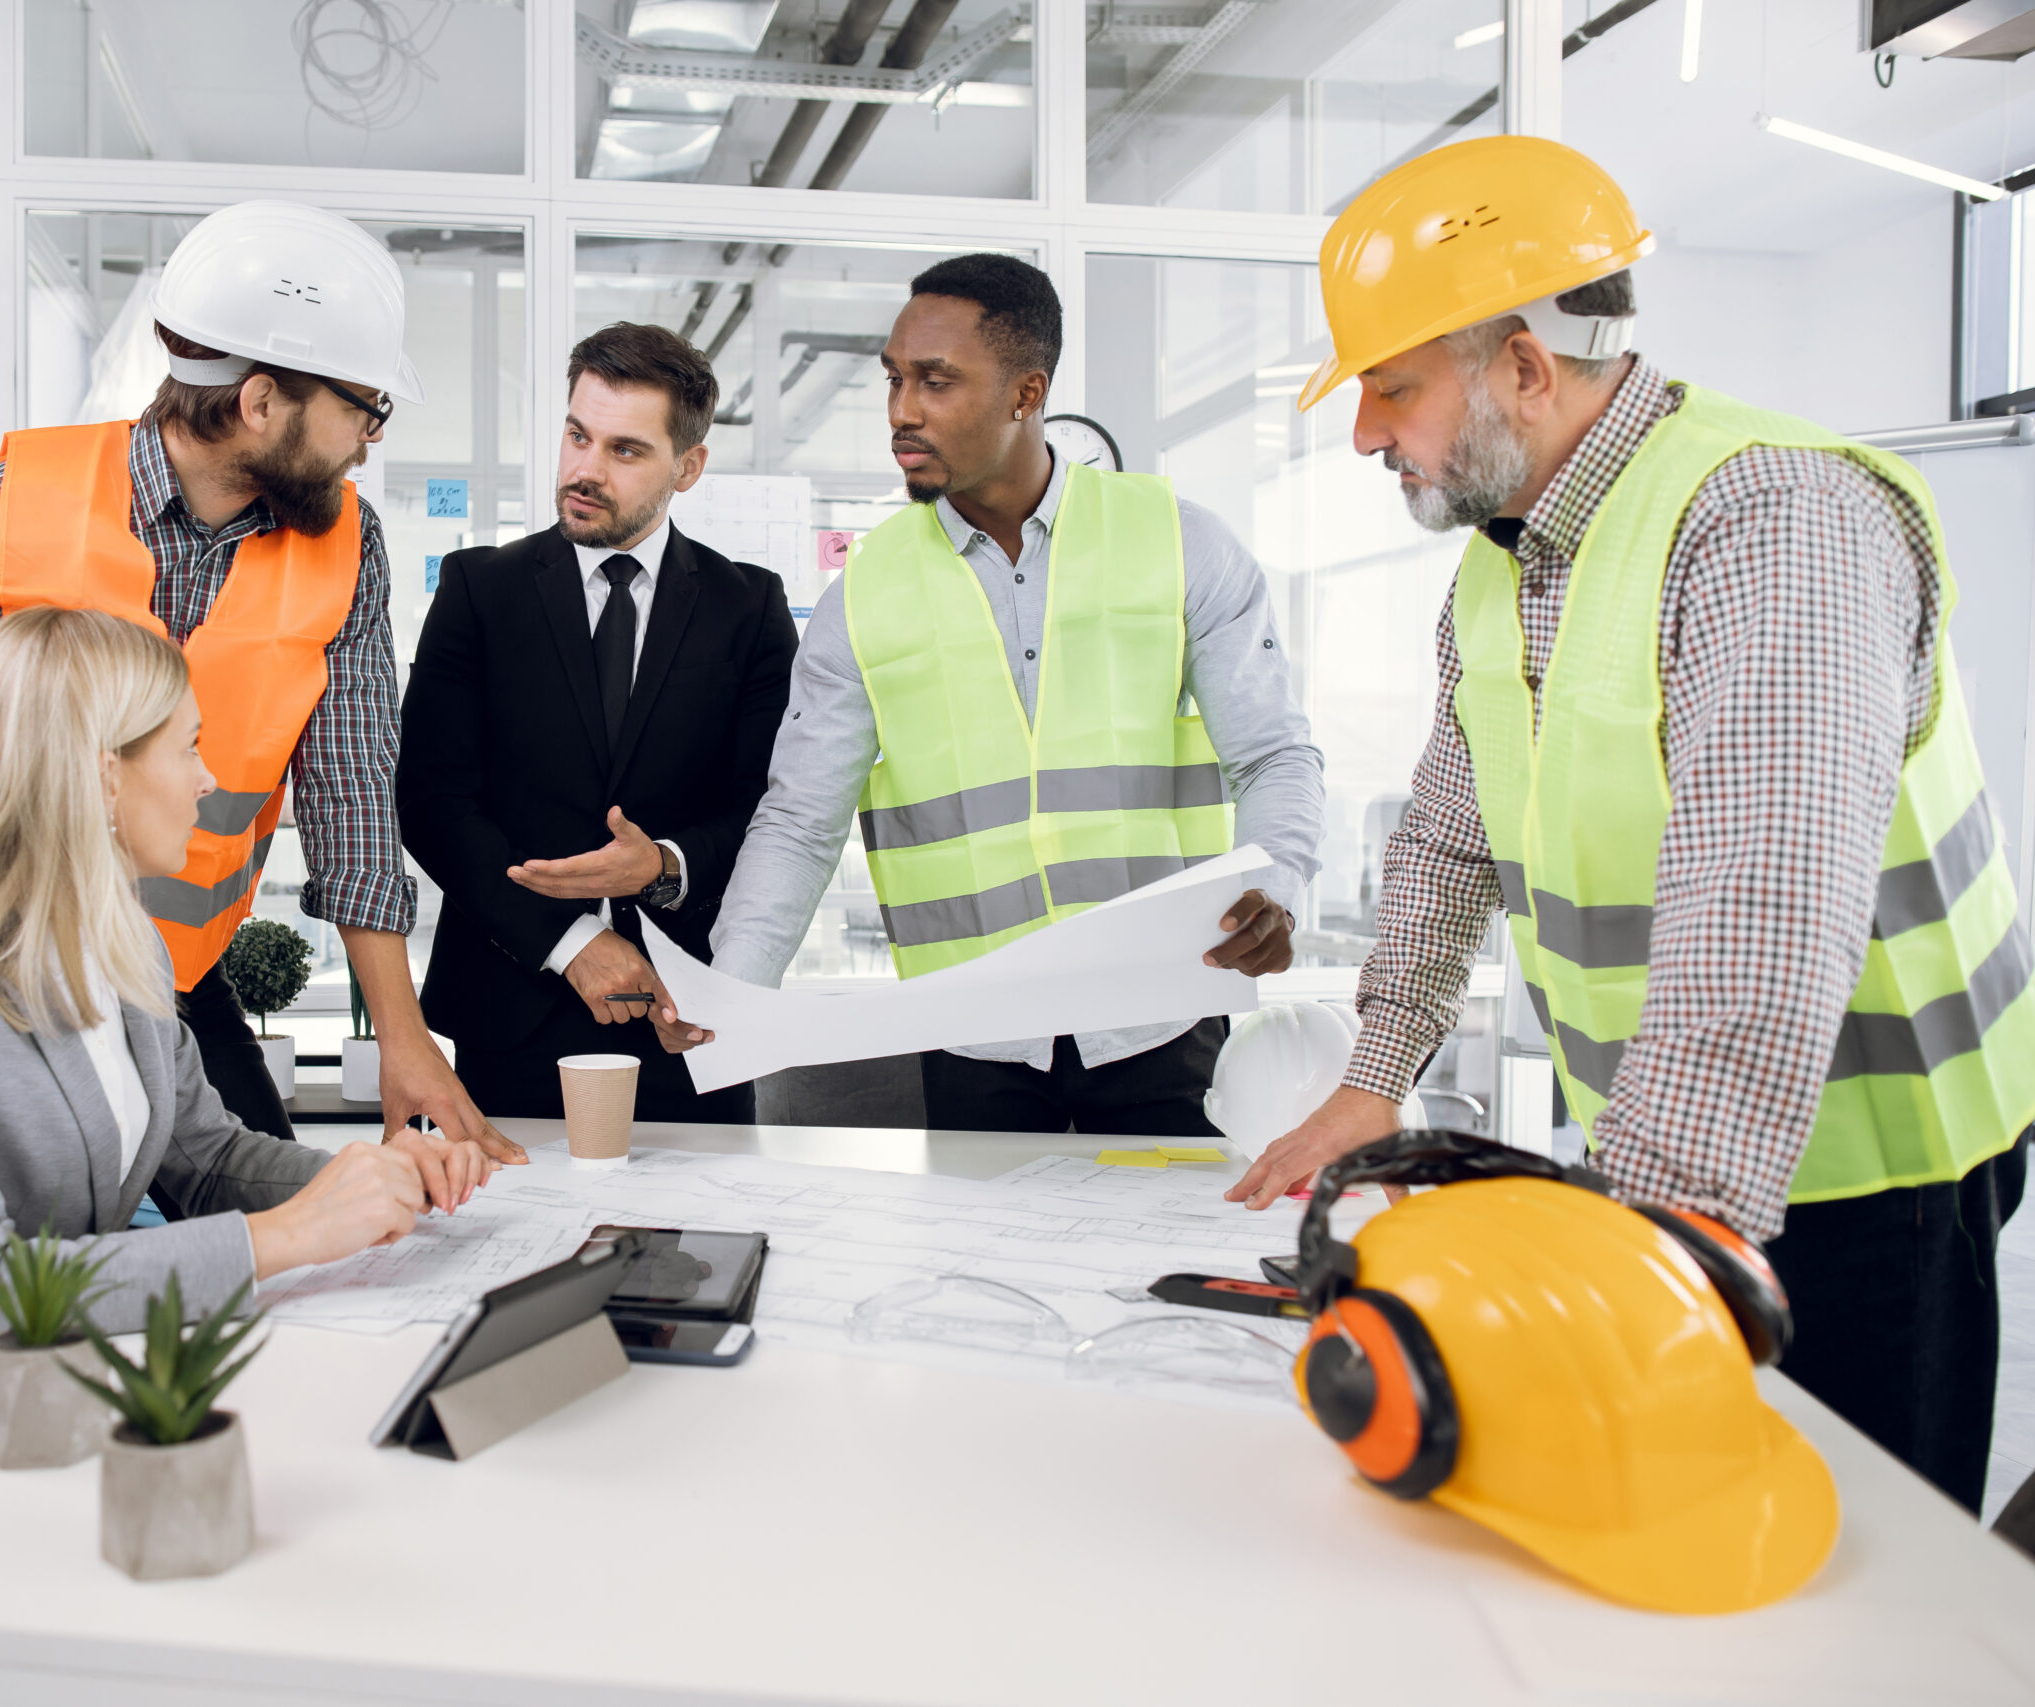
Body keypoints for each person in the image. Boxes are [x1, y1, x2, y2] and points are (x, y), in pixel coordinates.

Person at [1228, 135, 2032, 1514]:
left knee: (1858, 1574)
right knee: (1690, 1533)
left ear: (1527, 369)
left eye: (1393, 384)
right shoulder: (1506, 558)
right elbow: (1444, 842)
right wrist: (1377, 1074)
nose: (1365, 430)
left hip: (1865, 1174)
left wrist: (1634, 1250)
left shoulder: (1773, 521)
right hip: (1683, 1165)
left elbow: (1761, 919)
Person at [0, 201, 522, 1185]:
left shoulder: (346, 547)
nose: (368, 440)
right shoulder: (2, 515)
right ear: (260, 403)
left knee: (295, 1237)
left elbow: (352, 806)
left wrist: (405, 1043)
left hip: (168, 991)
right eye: (362, 408)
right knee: (18, 1264)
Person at [0, 608, 492, 1531]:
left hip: (58, 1416)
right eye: (189, 748)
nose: (210, 782)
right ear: (102, 774)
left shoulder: (126, 949)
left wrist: (372, 1179)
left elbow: (205, 1157)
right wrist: (286, 1237)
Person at [706, 255, 1323, 1135]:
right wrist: (735, 991)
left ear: (1026, 393)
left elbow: (1275, 756)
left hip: (1164, 1022)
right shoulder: (865, 592)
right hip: (973, 1039)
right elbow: (801, 820)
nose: (900, 410)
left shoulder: (1179, 543)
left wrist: (1280, 884)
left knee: (1167, 1269)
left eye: (936, 381)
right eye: (893, 378)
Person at [398, 323, 798, 1123]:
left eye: (624, 450)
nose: (583, 469)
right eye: (578, 435)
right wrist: (572, 941)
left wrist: (665, 865)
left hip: (688, 1017)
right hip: (512, 1008)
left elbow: (770, 810)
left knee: (699, 1242)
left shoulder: (748, 608)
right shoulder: (480, 591)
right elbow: (434, 804)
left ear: (688, 467)